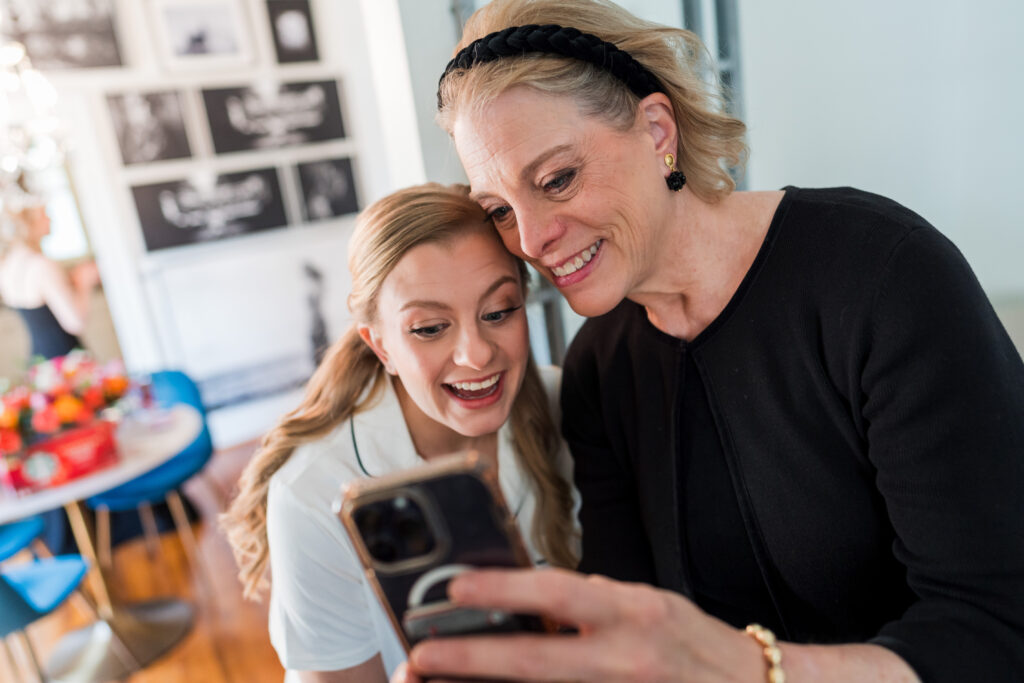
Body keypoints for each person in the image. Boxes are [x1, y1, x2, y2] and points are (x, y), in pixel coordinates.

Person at [393, 1, 1024, 682]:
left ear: (657, 130)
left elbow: (996, 626)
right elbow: (628, 640)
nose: (533, 237)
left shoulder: (884, 275)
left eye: (556, 179)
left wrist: (756, 669)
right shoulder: (599, 371)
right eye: (499, 210)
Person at [221, 183, 578, 682]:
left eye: (498, 312)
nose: (476, 354)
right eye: (430, 328)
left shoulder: (575, 404)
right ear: (381, 345)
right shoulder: (312, 492)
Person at [0, 188, 99, 360]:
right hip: (66, 361)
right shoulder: (42, 265)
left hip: (39, 360)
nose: (50, 219)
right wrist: (85, 282)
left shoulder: (6, 265)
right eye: (44, 214)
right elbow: (75, 322)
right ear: (29, 223)